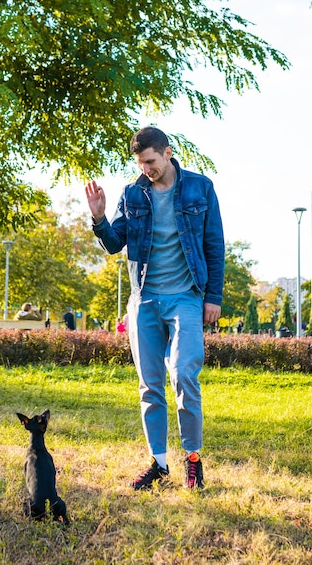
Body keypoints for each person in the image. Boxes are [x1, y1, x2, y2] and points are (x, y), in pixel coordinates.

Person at [85, 126, 224, 490]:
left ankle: (193, 459)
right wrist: (99, 219)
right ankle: (159, 464)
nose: (146, 168)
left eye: (151, 161)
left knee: (184, 374)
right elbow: (115, 243)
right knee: (150, 386)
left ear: (167, 152)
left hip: (186, 298)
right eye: (140, 163)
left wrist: (214, 297)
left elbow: (214, 244)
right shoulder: (132, 193)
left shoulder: (200, 188)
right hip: (144, 300)